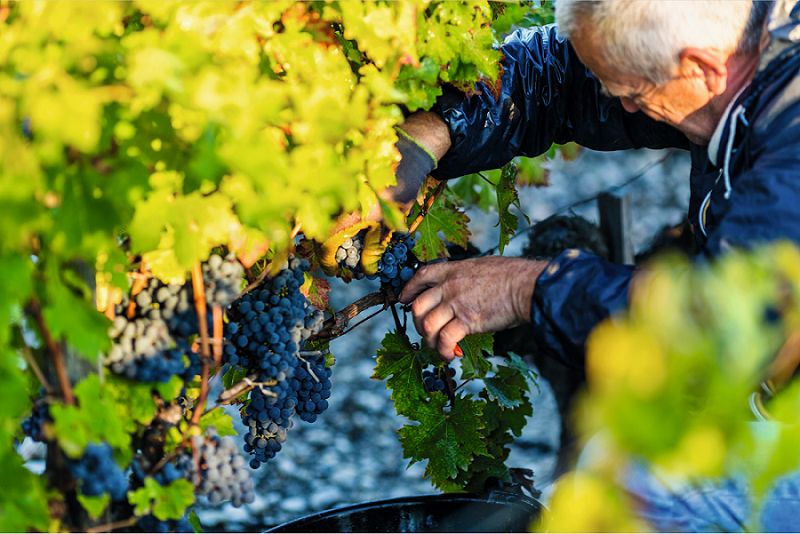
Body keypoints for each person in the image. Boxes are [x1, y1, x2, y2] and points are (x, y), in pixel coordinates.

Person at [388, 0, 800, 530]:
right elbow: (564, 78)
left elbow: (723, 329)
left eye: (632, 95)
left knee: (631, 495)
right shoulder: (753, 38)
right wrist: (434, 132)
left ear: (701, 68)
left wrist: (527, 289)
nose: (621, 107)